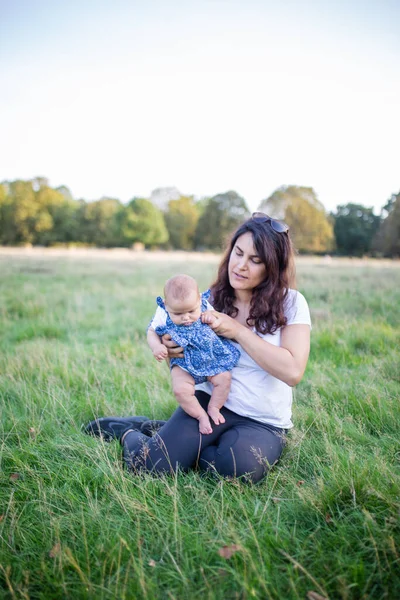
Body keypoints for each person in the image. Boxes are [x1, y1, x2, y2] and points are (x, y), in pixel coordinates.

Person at [84, 213, 311, 483]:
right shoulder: (209, 299)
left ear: (272, 267)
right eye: (238, 253)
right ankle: (130, 432)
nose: (240, 266)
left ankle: (170, 435)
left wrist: (237, 331)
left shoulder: (291, 303)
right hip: (208, 401)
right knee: (151, 467)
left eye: (255, 260)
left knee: (236, 472)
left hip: (261, 420)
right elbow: (180, 354)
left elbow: (293, 371)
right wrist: (172, 348)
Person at [147, 274, 240, 434]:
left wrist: (212, 317)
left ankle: (214, 407)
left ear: (199, 299)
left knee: (224, 378)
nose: (186, 318)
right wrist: (157, 346)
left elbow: (218, 318)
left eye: (191, 311)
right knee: (180, 390)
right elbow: (151, 331)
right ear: (166, 304)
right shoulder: (162, 313)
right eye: (177, 314)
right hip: (183, 363)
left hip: (210, 358)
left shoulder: (205, 305)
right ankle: (200, 415)